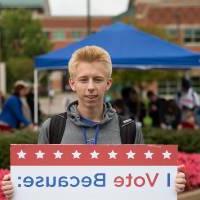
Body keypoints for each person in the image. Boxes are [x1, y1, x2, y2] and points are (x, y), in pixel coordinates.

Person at [1, 46, 186, 199]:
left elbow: (141, 188)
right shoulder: (52, 127)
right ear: (72, 83)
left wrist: (168, 184)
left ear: (108, 83)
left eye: (97, 79)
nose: (90, 87)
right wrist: (16, 189)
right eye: (83, 80)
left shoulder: (128, 129)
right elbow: (38, 189)